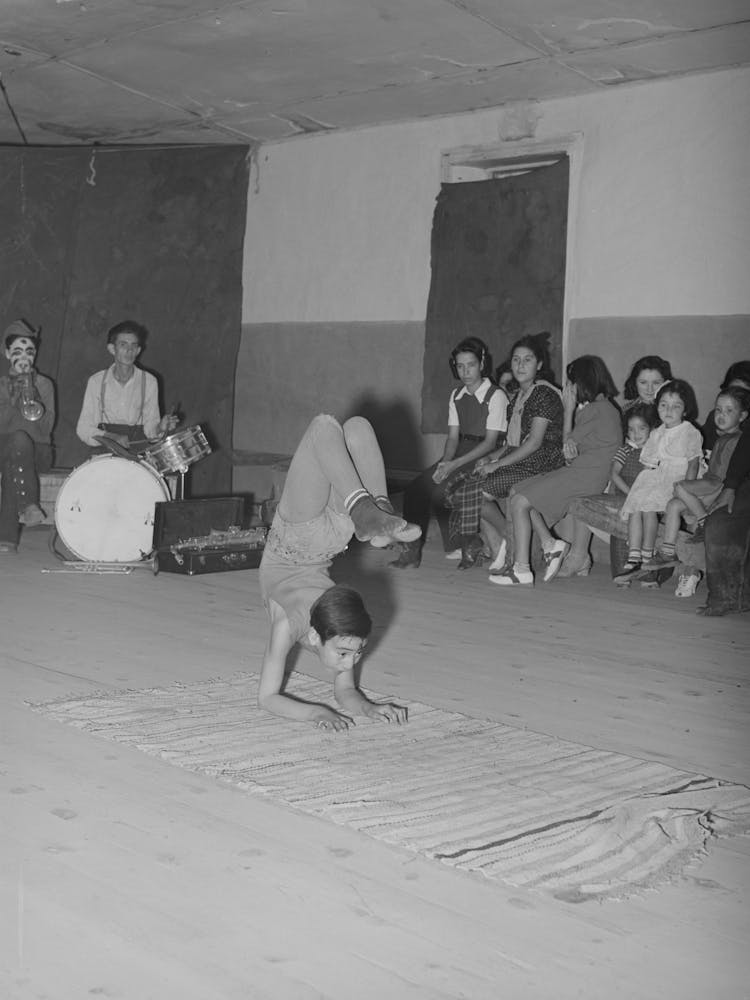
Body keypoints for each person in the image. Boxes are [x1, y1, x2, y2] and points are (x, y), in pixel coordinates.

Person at [258, 413, 420, 730]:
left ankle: (372, 511)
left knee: (344, 428)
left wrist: (369, 708)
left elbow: (272, 698)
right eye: (348, 654)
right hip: (319, 538)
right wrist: (316, 712)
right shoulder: (336, 628)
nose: (349, 663)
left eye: (354, 654)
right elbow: (271, 697)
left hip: (309, 535)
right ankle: (374, 510)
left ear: (316, 636)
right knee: (344, 428)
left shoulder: (294, 627)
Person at [492, 355, 622, 586]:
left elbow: (566, 448)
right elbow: (572, 452)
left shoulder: (597, 410)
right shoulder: (603, 408)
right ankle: (550, 544)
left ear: (584, 382)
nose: (569, 388)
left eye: (572, 382)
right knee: (518, 490)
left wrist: (568, 411)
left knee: (521, 501)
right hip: (582, 472)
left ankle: (521, 569)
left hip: (585, 477)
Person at [443, 334, 564, 570]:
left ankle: (511, 541)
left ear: (539, 365)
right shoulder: (520, 395)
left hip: (543, 460)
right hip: (524, 457)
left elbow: (534, 443)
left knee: (476, 493)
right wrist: (490, 458)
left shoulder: (543, 393)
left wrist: (497, 465)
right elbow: (512, 442)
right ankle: (501, 542)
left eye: (527, 360)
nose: (520, 365)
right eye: (516, 360)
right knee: (469, 485)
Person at [390, 336, 508, 570]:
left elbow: (490, 442)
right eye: (460, 366)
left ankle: (468, 542)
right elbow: (453, 437)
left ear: (482, 363)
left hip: (485, 453)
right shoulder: (456, 395)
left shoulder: (496, 395)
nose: (465, 371)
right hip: (460, 450)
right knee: (415, 489)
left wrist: (453, 466)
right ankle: (411, 552)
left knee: (441, 493)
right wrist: (444, 463)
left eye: (471, 365)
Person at [644, 386, 749, 574]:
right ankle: (668, 552)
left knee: (680, 487)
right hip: (708, 481)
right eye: (718, 409)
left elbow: (732, 473)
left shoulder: (739, 440)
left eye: (729, 411)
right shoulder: (720, 438)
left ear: (742, 416)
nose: (721, 415)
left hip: (718, 484)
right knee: (673, 505)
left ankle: (703, 521)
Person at [613, 379, 703, 585]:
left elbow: (693, 464)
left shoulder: (689, 431)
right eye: (663, 405)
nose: (668, 410)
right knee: (637, 506)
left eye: (676, 406)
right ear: (657, 407)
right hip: (659, 476)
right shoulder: (657, 432)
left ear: (686, 409)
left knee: (648, 508)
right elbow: (650, 465)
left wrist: (685, 490)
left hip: (679, 480)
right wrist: (640, 490)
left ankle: (647, 554)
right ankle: (634, 555)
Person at [559, 401, 658, 578]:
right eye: (631, 430)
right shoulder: (625, 450)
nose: (636, 434)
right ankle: (625, 569)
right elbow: (614, 474)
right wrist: (631, 493)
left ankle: (647, 563)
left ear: (651, 429)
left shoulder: (655, 452)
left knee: (647, 514)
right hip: (625, 494)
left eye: (641, 429)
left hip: (648, 498)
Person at [76, 320, 178, 451]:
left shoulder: (149, 381)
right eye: (123, 345)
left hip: (138, 453)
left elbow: (151, 432)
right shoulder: (96, 381)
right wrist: (111, 437)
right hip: (104, 452)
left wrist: (160, 428)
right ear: (112, 349)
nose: (129, 350)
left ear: (138, 350)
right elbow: (83, 429)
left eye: (134, 346)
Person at [0, 320, 56, 554]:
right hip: (5, 447)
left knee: (19, 447)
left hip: (39, 450)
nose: (25, 358)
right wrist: (13, 398)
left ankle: (8, 537)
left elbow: (47, 428)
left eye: (29, 352)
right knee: (16, 447)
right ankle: (29, 506)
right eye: (18, 352)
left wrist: (33, 394)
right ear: (6, 353)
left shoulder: (44, 384)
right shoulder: (1, 385)